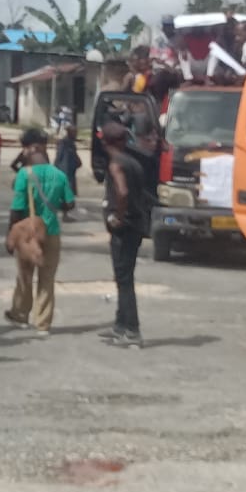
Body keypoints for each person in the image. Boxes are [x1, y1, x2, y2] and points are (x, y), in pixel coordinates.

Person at [4, 129, 75, 336]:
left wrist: (11, 236)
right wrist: (54, 205)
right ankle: (43, 323)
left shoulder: (23, 175)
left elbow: (16, 210)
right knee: (47, 278)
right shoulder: (60, 175)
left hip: (28, 235)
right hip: (51, 231)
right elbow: (69, 204)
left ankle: (20, 314)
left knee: (25, 276)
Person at [97, 122, 146, 348]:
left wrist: (118, 216)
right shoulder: (133, 163)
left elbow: (123, 192)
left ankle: (132, 330)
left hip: (125, 229)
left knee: (125, 281)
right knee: (123, 277)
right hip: (136, 226)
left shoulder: (116, 164)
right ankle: (120, 325)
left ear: (106, 142)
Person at [54, 124, 81, 220]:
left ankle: (65, 213)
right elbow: (59, 156)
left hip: (71, 170)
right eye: (75, 132)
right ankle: (64, 214)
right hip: (64, 171)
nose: (76, 134)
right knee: (66, 193)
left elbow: (74, 156)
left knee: (68, 193)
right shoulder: (63, 143)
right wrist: (55, 167)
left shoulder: (71, 143)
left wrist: (78, 162)